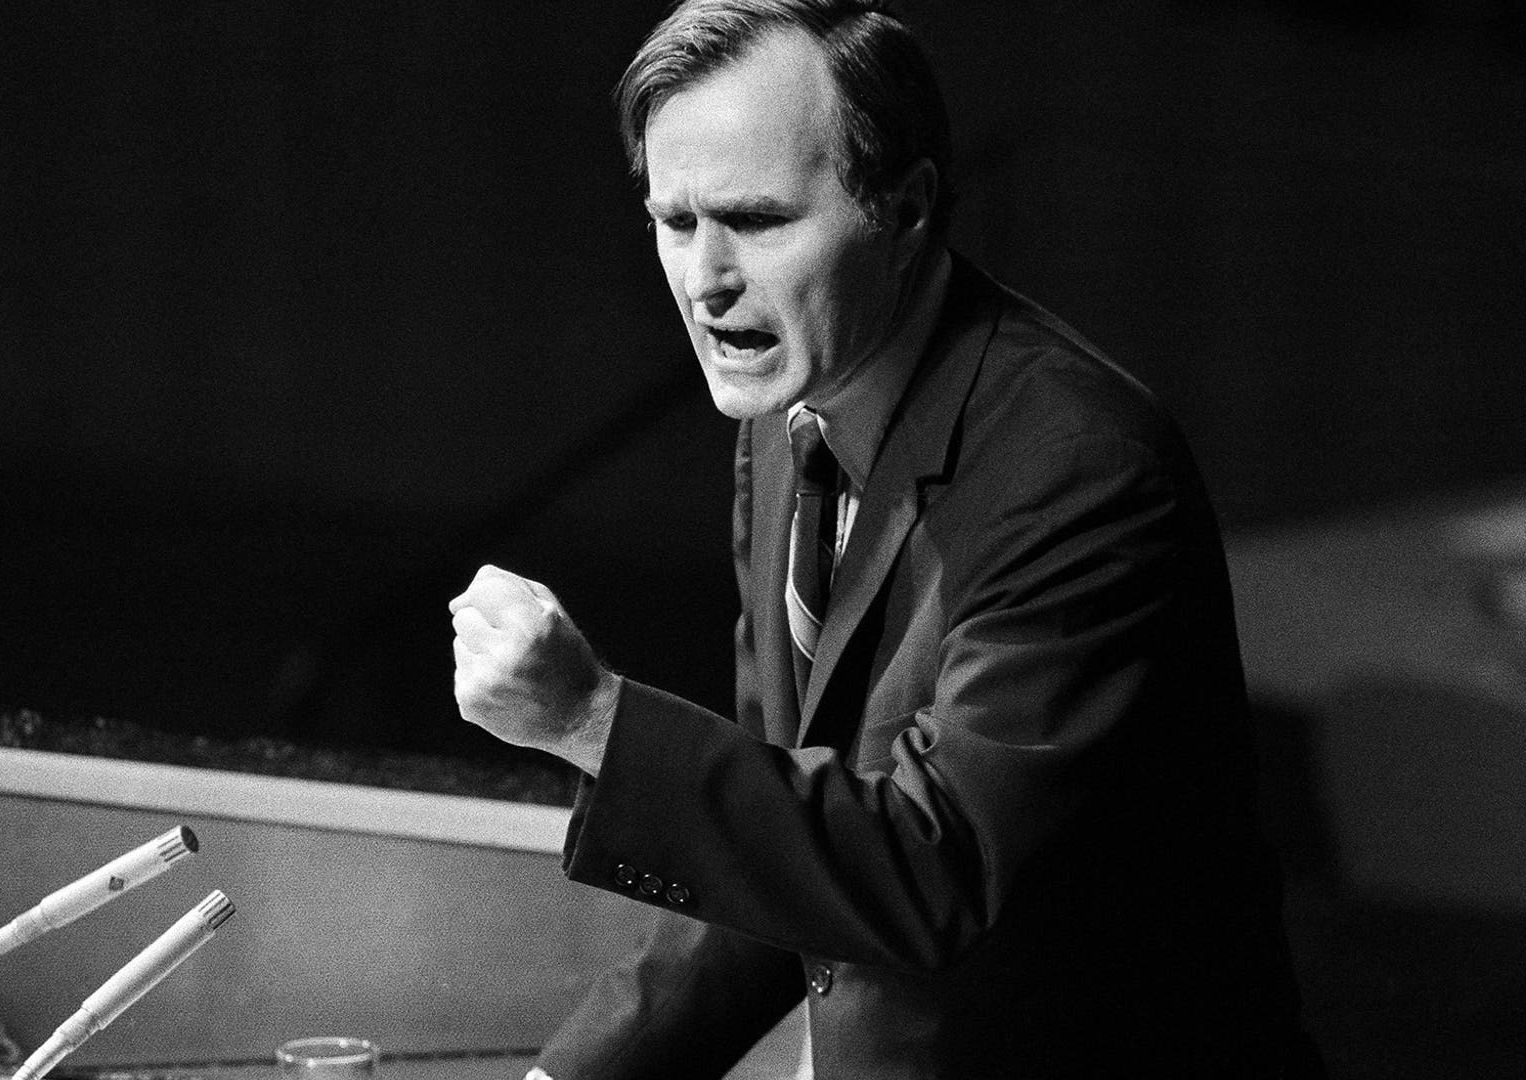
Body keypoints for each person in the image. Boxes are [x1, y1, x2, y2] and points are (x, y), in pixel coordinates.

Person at [448, 1, 1320, 1076]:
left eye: (757, 221)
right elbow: (777, 830)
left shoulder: (1079, 466)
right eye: (675, 221)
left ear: (905, 210)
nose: (705, 281)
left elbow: (931, 866)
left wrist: (590, 718)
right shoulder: (785, 417)